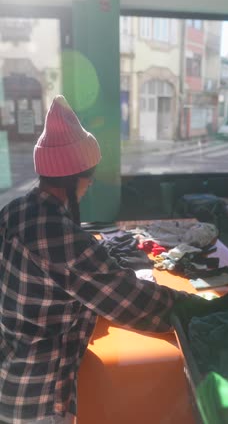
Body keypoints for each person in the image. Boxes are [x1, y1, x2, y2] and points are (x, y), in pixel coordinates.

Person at [0, 96, 190, 424]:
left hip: (9, 362)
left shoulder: (13, 211)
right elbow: (129, 300)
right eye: (89, 176)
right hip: (36, 392)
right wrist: (196, 306)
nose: (90, 185)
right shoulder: (60, 236)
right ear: (76, 177)